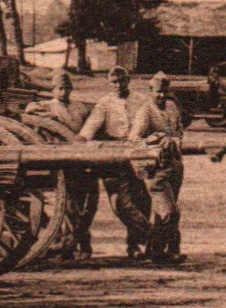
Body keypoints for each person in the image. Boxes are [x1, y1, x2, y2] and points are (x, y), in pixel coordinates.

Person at [78, 66, 151, 260]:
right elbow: (90, 127)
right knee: (120, 203)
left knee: (141, 200)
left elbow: (150, 123)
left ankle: (134, 246)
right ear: (110, 84)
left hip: (135, 154)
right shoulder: (105, 103)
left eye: (121, 81)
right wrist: (83, 140)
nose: (118, 86)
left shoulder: (140, 101)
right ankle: (153, 235)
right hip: (112, 156)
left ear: (128, 81)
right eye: (114, 82)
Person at [25, 68, 97, 261]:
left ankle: (78, 243)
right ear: (53, 89)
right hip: (63, 160)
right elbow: (29, 110)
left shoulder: (79, 107)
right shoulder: (49, 106)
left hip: (83, 158)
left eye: (66, 88)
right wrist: (49, 117)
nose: (64, 92)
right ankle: (72, 245)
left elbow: (91, 124)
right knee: (69, 206)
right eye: (59, 88)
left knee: (86, 205)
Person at [129, 71, 186, 263]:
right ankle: (165, 247)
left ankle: (158, 250)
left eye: (164, 92)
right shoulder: (144, 112)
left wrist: (176, 139)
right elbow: (134, 139)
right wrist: (151, 140)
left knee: (168, 209)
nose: (161, 96)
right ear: (150, 91)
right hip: (155, 168)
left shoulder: (172, 108)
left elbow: (179, 130)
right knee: (168, 210)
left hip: (174, 165)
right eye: (158, 92)